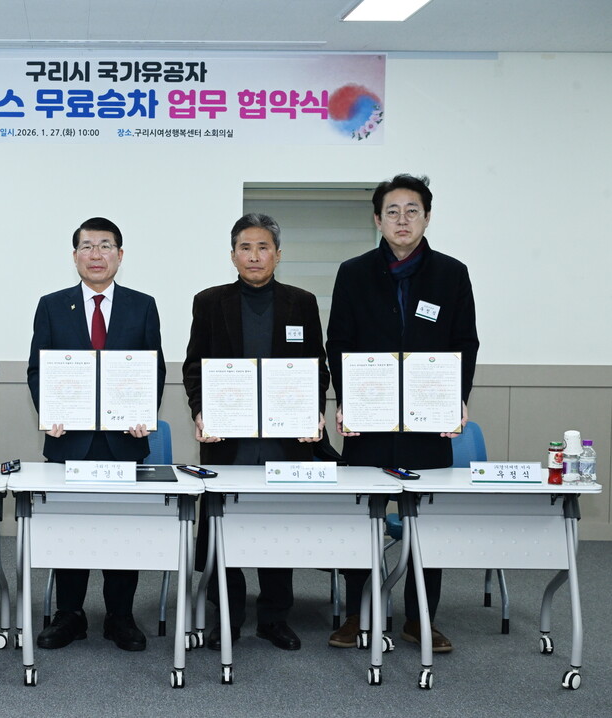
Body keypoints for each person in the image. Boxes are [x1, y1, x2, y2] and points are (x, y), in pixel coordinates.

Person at [326, 174, 479, 653]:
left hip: (427, 423)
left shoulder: (451, 274)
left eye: (412, 210)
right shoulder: (353, 272)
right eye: (392, 211)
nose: (402, 220)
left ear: (427, 218)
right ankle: (359, 614)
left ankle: (420, 619)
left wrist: (456, 398)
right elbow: (339, 342)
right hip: (368, 423)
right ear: (377, 220)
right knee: (361, 520)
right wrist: (347, 401)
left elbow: (464, 343)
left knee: (425, 523)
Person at [181, 213, 329, 652]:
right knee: (222, 529)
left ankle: (274, 618)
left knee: (276, 528)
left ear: (278, 255)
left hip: (285, 442)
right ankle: (225, 617)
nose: (254, 256)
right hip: (229, 442)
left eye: (263, 247)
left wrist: (314, 413)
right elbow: (194, 366)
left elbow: (316, 368)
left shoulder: (302, 302)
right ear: (232, 255)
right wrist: (201, 411)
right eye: (245, 248)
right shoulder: (209, 302)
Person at [26, 216, 166, 652]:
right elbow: (37, 370)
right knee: (70, 530)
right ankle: (70, 614)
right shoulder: (52, 305)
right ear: (75, 257)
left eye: (105, 246)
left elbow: (154, 369)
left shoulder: (142, 305)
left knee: (122, 532)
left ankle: (119, 616)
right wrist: (50, 412)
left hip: (124, 441)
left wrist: (145, 413)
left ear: (120, 256)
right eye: (87, 246)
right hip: (70, 440)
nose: (96, 254)